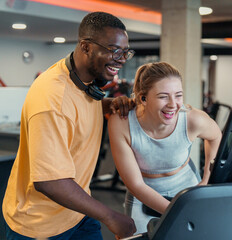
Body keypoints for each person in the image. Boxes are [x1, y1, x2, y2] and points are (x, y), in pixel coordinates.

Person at [2, 12, 136, 240]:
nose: (121, 59)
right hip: (41, 225)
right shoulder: (52, 97)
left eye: (125, 52)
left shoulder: (83, 80)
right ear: (86, 47)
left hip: (78, 210)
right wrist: (111, 217)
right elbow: (50, 182)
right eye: (114, 50)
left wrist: (109, 104)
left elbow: (75, 110)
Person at [108, 62, 222, 233]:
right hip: (142, 194)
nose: (173, 104)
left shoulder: (192, 119)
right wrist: (177, 212)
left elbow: (215, 137)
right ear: (143, 98)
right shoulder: (122, 123)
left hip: (187, 185)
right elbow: (136, 184)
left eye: (178, 95)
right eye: (163, 96)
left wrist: (206, 179)